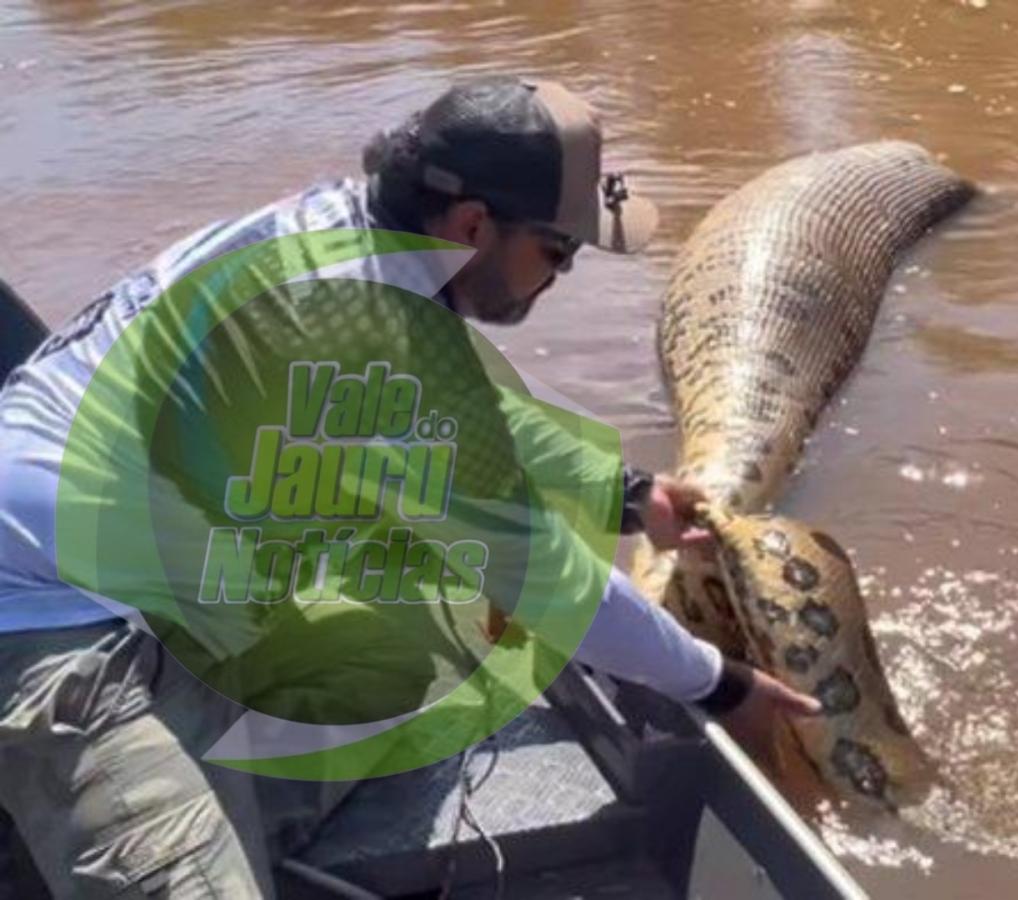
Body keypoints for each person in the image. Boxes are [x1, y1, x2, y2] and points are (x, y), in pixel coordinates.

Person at [0, 76, 819, 898]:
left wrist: (629, 496)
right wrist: (721, 684)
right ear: (471, 226)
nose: (559, 277)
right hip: (49, 627)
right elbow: (551, 583)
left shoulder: (330, 229)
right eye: (558, 252)